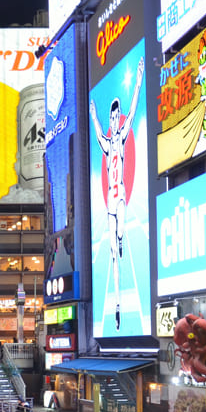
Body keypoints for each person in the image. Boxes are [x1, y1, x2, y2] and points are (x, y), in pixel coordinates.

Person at [90, 56, 145, 331]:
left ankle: (121, 239)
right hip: (109, 202)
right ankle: (118, 308)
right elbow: (98, 130)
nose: (113, 120)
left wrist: (137, 82)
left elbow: (134, 111)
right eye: (111, 117)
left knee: (121, 232)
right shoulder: (106, 141)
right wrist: (93, 114)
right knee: (113, 254)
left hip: (120, 195)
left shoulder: (121, 137)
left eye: (115, 115)